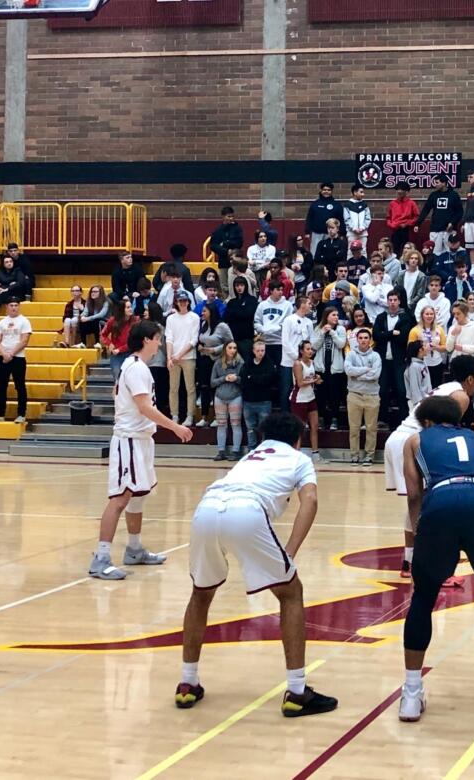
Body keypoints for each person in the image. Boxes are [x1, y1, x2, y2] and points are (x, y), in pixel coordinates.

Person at [178, 410, 337, 716]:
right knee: (290, 593)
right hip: (245, 510)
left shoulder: (250, 455)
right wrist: (290, 550)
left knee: (200, 594)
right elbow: (311, 501)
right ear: (298, 439)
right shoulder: (299, 459)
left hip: (206, 508)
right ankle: (297, 691)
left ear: (263, 437)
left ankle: (187, 683)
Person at [397, 394, 474, 725]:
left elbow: (413, 494)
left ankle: (411, 694)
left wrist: (421, 531)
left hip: (439, 505)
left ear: (426, 421)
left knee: (423, 600)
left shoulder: (414, 440)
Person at [89, 321, 193, 580]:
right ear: (147, 340)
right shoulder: (135, 368)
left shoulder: (136, 367)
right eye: (158, 338)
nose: (160, 343)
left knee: (138, 497)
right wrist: (175, 427)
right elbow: (144, 407)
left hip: (142, 439)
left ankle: (134, 549)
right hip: (129, 440)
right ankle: (101, 558)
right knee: (120, 498)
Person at [385, 355, 474, 578]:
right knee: (428, 503)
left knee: (416, 501)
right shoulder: (460, 396)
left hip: (399, 437)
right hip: (413, 440)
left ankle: (410, 562)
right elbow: (443, 432)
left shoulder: (446, 387)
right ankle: (426, 564)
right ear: (469, 379)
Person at [372, 290, 415, 425]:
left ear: (399, 301)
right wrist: (392, 333)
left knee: (401, 390)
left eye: (395, 300)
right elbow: (376, 336)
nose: (392, 302)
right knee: (382, 390)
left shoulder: (406, 317)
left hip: (399, 359)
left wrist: (386, 335)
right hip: (383, 360)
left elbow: (403, 338)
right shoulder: (381, 317)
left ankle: (403, 419)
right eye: (390, 300)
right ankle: (382, 418)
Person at [0, 298, 32, 424]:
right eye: (11, 305)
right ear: (7, 306)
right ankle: (0, 414)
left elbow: (24, 341)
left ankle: (21, 414)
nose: (14, 307)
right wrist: (3, 354)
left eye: (16, 305)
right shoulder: (2, 322)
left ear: (19, 306)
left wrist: (11, 354)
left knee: (20, 386)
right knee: (1, 387)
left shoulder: (24, 321)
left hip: (18, 358)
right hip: (3, 357)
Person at [344, 328, 381, 465]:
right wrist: (366, 370)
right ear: (357, 340)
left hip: (372, 396)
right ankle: (354, 455)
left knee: (371, 428)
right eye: (361, 338)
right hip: (354, 395)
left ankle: (369, 455)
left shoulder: (376, 356)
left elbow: (375, 375)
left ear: (370, 340)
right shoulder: (351, 355)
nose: (363, 340)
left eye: (366, 338)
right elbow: (348, 371)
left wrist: (357, 375)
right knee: (354, 428)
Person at [165, 291, 200, 426]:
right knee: (173, 388)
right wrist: (169, 357)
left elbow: (193, 340)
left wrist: (178, 355)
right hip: (173, 357)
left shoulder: (194, 317)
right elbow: (169, 338)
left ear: (188, 302)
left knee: (190, 388)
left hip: (188, 357)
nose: (183, 303)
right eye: (180, 301)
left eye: (185, 300)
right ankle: (174, 415)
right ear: (176, 302)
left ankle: (190, 416)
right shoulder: (171, 319)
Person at [414, 174, 464, 258]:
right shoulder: (433, 195)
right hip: (435, 229)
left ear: (444, 183)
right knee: (435, 253)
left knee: (450, 253)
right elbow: (426, 209)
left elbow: (459, 212)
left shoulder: (453, 195)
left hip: (449, 230)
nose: (435, 184)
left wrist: (452, 222)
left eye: (437, 182)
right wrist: (418, 223)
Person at [210, 341, 244, 461]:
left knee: (236, 424)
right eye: (230, 347)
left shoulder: (241, 363)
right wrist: (224, 378)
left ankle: (235, 451)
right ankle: (221, 451)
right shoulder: (218, 363)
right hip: (219, 397)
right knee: (221, 425)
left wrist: (237, 378)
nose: (232, 350)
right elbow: (212, 382)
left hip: (235, 396)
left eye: (235, 348)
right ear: (225, 349)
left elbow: (244, 380)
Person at [240, 340, 277, 452]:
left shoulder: (269, 363)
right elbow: (244, 379)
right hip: (248, 401)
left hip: (264, 401)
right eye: (258, 350)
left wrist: (252, 378)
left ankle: (264, 450)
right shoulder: (247, 364)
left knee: (264, 428)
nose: (261, 353)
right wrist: (257, 379)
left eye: (263, 350)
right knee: (250, 428)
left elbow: (269, 379)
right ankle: (252, 450)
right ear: (253, 351)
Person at [290, 339, 322, 457]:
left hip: (310, 397)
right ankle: (296, 454)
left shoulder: (312, 362)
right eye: (307, 349)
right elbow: (300, 383)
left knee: (314, 426)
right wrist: (314, 380)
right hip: (299, 399)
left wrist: (317, 378)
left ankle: (315, 453)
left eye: (311, 349)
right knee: (300, 428)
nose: (310, 351)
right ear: (301, 351)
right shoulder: (297, 364)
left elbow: (312, 378)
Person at [102, 298, 138, 382]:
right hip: (116, 355)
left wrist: (120, 349)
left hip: (131, 353)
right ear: (122, 309)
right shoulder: (113, 321)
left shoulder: (135, 321)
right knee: (118, 380)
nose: (131, 309)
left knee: (131, 380)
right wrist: (109, 343)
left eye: (131, 307)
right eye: (128, 307)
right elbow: (103, 334)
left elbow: (133, 341)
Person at [305, 183, 343, 257]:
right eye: (324, 190)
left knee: (330, 253)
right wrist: (307, 231)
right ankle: (315, 268)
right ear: (321, 191)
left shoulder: (337, 205)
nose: (326, 191)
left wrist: (342, 233)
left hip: (331, 234)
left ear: (331, 191)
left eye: (328, 190)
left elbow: (341, 219)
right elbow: (309, 218)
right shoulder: (315, 204)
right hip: (317, 233)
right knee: (314, 252)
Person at [386, 183, 420, 256]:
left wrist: (407, 224)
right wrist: (391, 225)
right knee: (395, 250)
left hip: (406, 229)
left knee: (407, 249)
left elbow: (416, 217)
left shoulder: (411, 203)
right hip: (395, 229)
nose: (399, 192)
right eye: (397, 191)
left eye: (401, 191)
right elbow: (388, 218)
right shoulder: (392, 203)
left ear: (406, 192)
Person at [343, 183, 372, 253]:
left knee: (363, 250)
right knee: (350, 251)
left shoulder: (364, 205)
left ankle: (363, 264)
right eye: (361, 192)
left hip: (363, 233)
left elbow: (368, 218)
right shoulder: (348, 205)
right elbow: (346, 219)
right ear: (355, 193)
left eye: (363, 192)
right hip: (351, 233)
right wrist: (354, 228)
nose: (363, 194)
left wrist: (363, 228)